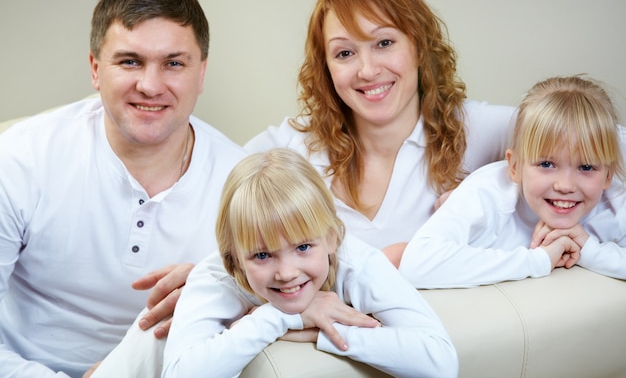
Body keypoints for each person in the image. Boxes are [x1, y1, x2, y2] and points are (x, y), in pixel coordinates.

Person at [0, 0, 247, 378]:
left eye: (173, 63)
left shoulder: (242, 184)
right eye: (130, 61)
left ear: (200, 73)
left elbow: (290, 290)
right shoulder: (21, 157)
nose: (150, 85)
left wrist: (224, 283)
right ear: (96, 69)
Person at [244, 0, 517, 252]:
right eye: (344, 53)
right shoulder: (294, 145)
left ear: (419, 46)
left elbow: (565, 133)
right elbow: (207, 182)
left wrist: (501, 197)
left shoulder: (475, 128)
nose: (368, 70)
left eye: (384, 43)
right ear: (326, 68)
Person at [160, 148, 458, 378]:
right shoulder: (215, 277)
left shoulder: (355, 261)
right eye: (262, 255)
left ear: (331, 238)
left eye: (303, 247)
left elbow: (440, 361)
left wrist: (320, 331)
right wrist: (282, 318)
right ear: (233, 260)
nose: (287, 273)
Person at [388, 75, 626, 287]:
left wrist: (588, 249)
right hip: (455, 249)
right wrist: (541, 259)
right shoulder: (488, 193)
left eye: (586, 167)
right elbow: (417, 264)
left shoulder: (614, 204)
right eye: (546, 164)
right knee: (394, 256)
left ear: (607, 175)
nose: (565, 186)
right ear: (515, 167)